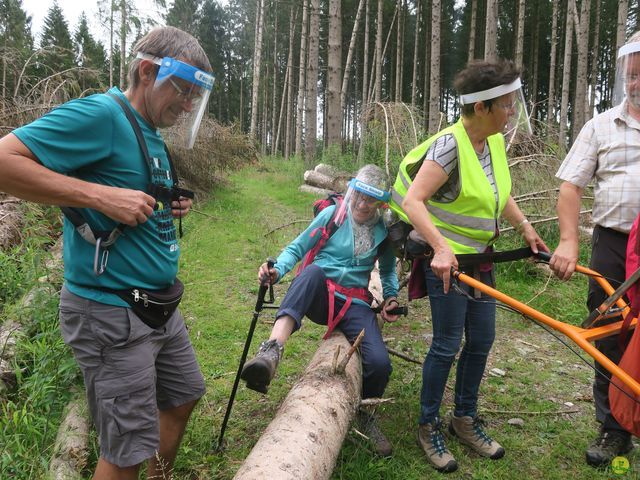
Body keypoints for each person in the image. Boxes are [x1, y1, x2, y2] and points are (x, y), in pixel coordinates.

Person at [0, 26, 214, 479]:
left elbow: (131, 189)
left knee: (182, 396)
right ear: (147, 71)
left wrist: (166, 201)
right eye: (185, 91)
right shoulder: (101, 114)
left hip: (156, 307)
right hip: (109, 311)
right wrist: (99, 196)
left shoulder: (148, 130)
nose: (189, 105)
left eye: (197, 96)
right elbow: (5, 162)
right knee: (126, 447)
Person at [389, 60, 548, 473]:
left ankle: (463, 419)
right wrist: (441, 248)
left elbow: (501, 193)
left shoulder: (492, 141)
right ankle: (428, 425)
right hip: (448, 265)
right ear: (482, 108)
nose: (512, 111)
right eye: (507, 104)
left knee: (481, 341)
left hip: (482, 260)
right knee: (446, 344)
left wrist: (525, 227)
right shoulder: (449, 146)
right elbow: (412, 202)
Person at [240, 164, 401, 457]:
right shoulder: (333, 215)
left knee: (380, 364)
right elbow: (297, 248)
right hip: (320, 295)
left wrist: (389, 298)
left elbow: (388, 273)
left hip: (355, 303)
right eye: (360, 196)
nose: (363, 204)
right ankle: (271, 351)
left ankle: (367, 413)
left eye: (371, 199)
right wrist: (277, 270)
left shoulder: (383, 232)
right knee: (312, 272)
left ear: (380, 203)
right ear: (353, 192)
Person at [549, 32, 640, 467]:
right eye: (632, 73)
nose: (637, 82)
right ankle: (614, 428)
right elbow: (571, 187)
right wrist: (568, 241)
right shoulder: (601, 126)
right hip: (614, 244)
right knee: (611, 335)